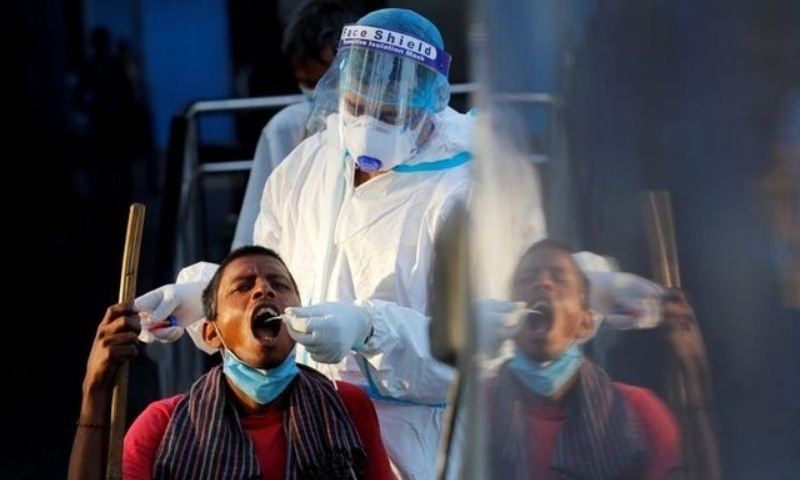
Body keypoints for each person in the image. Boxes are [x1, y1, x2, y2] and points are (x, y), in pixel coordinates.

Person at [68, 245, 395, 480]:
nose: (264, 290)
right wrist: (95, 389)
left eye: (279, 284)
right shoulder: (163, 424)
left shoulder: (346, 407)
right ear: (211, 333)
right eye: (243, 286)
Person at [482, 238, 681, 479]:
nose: (542, 283)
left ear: (586, 323)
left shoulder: (640, 413)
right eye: (527, 277)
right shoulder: (475, 407)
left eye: (559, 277)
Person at [232, 0, 364, 249]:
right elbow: (253, 231)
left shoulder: (383, 130)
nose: (321, 92)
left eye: (330, 79)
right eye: (308, 83)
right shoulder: (284, 129)